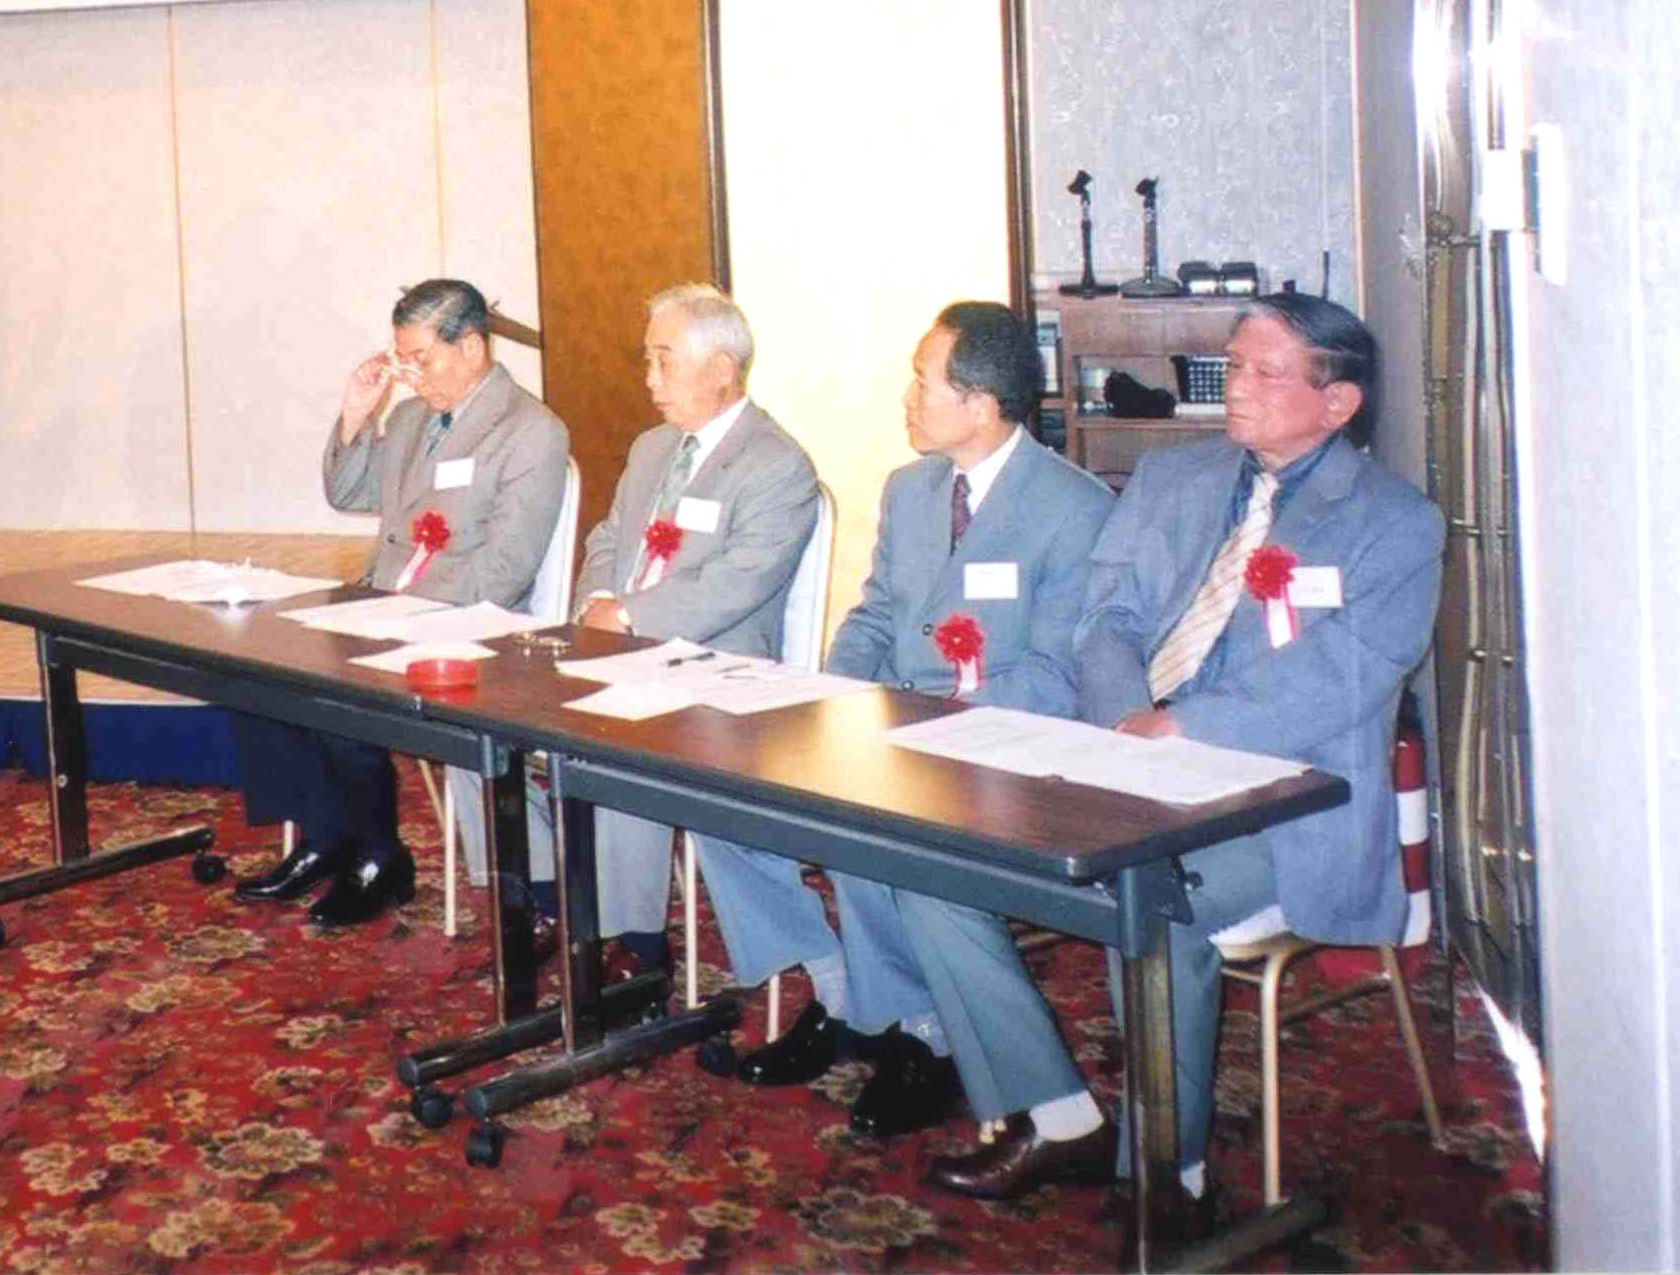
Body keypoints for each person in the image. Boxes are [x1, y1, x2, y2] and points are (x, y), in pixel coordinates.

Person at [919, 293, 1441, 1240]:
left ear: (1338, 403)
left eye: (1265, 373)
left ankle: (1169, 1175)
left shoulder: (1395, 523)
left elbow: (1343, 680)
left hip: (1283, 800)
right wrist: (1129, 722)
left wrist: (1183, 727)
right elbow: (1104, 618)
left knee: (1152, 909)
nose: (1235, 388)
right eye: (1233, 366)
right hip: (1126, 756)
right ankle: (1055, 1113)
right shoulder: (1173, 477)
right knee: (936, 865)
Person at [693, 301, 1112, 1139]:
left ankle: (919, 1034)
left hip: (1006, 748)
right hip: (898, 730)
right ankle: (852, 994)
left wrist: (930, 726)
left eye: (923, 382)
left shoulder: (1075, 508)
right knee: (721, 798)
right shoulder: (911, 489)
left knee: (874, 829)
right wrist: (828, 698)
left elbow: (1057, 677)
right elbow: (877, 616)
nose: (907, 398)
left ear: (981, 405)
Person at [229, 278, 569, 930]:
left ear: (471, 347)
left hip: (467, 624)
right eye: (402, 359)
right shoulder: (414, 418)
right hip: (383, 610)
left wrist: (396, 619)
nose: (410, 376)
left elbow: (504, 570)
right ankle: (327, 837)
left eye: (422, 360)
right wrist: (357, 416)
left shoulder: (529, 431)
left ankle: (379, 858)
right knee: (256, 668)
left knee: (340, 692)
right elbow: (349, 493)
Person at [556, 284, 819, 975]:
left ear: (721, 368)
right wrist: (599, 601)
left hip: (717, 666)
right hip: (621, 648)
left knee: (615, 738)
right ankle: (557, 900)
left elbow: (738, 583)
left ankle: (636, 943)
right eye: (648, 360)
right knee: (511, 723)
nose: (650, 380)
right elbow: (610, 538)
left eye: (664, 361)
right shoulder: (652, 449)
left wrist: (630, 617)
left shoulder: (775, 463)